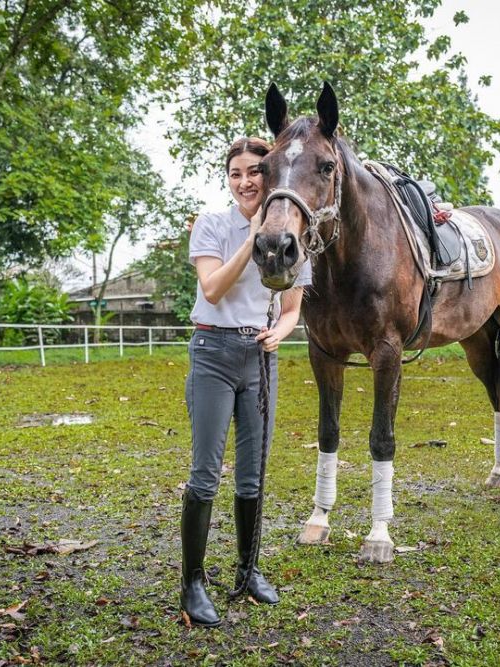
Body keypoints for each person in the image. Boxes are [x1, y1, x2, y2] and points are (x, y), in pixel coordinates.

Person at [180, 137, 312, 627]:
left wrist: (281, 330)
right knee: (205, 474)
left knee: (253, 475)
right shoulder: (213, 225)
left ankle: (248, 569)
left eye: (254, 171)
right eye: (235, 173)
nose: (245, 181)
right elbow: (212, 289)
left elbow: (292, 308)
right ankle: (193, 582)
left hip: (259, 358)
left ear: (270, 175)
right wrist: (253, 236)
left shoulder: (293, 233)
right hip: (213, 353)